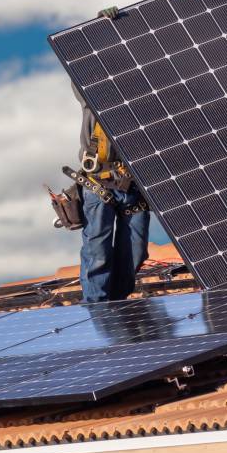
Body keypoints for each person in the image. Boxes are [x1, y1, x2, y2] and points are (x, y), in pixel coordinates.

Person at [74, 80, 151, 303]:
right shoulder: (92, 95)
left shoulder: (145, 99)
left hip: (133, 187)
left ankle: (116, 306)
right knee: (97, 255)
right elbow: (79, 77)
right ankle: (97, 310)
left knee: (135, 253)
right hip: (99, 184)